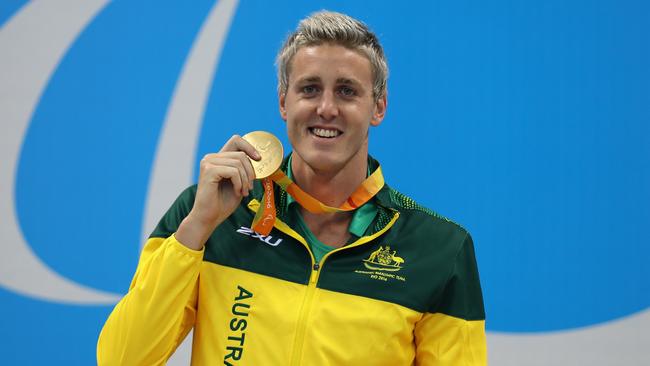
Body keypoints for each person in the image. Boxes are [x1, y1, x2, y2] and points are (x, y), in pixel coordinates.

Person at [97, 10, 486, 365]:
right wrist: (196, 230)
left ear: (378, 107)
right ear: (284, 102)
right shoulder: (210, 213)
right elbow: (120, 359)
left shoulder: (439, 248)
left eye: (347, 91)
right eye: (310, 89)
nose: (327, 108)